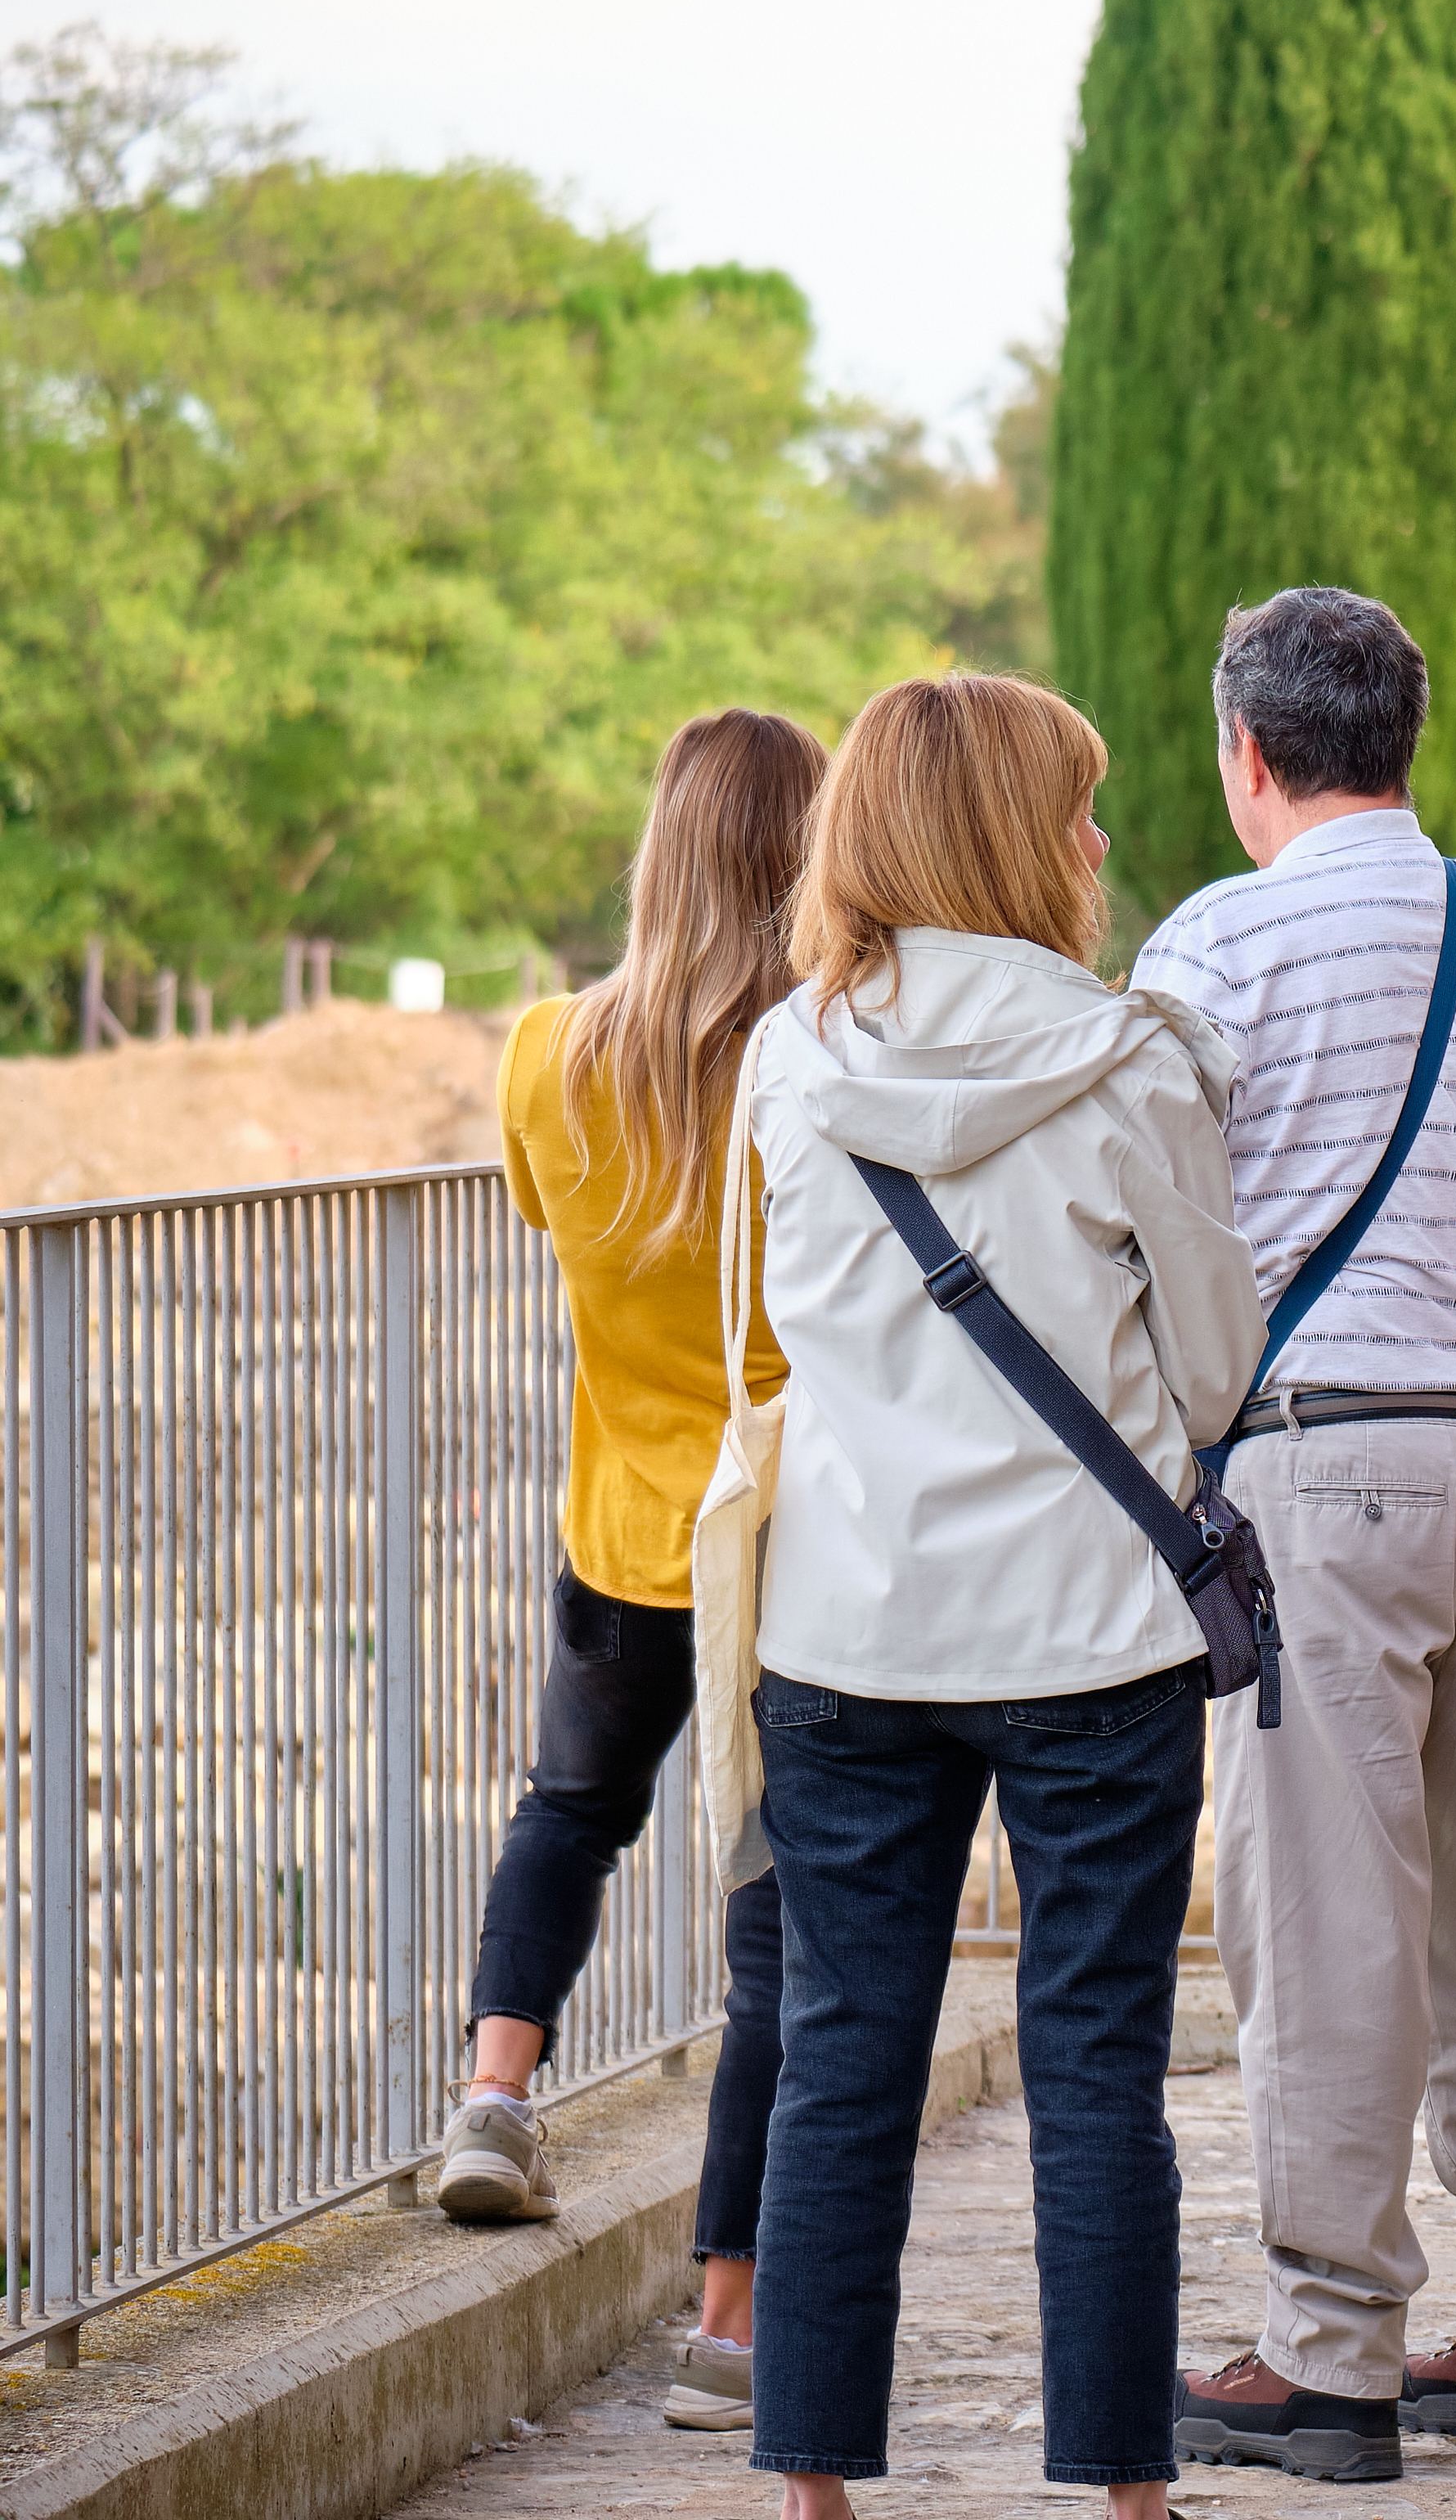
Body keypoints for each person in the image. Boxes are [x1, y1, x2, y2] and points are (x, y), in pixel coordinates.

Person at [739, 673, 1260, 2517]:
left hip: (844, 1623)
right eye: (1078, 808)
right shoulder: (1130, 1058)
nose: (1102, 842)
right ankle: (1123, 2489)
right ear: (1009, 839)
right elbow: (1213, 1368)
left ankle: (812, 2481)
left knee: (844, 2058)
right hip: (1091, 1629)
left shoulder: (785, 1058)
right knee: (1098, 2068)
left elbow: (775, 1330)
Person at [1135, 588, 1456, 2482]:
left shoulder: (1216, 940)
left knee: (1323, 1923)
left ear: (1247, 752)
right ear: (1410, 736)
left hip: (1324, 1468)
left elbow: (1147, 1223)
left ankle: (1329, 2356)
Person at [438, 709, 820, 2437]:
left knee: (569, 1806)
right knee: (778, 1921)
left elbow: (548, 1209)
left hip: (620, 1525)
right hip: (793, 1539)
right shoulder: (822, 1056)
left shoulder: (548, 1053)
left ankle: (494, 2096)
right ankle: (728, 2322)